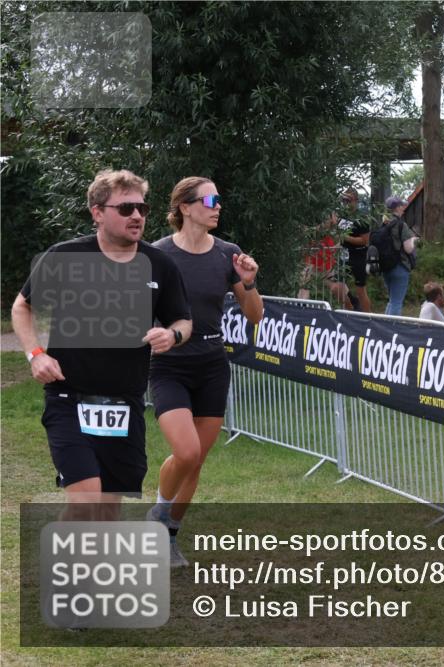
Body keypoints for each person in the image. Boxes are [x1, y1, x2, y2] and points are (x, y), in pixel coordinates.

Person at [10, 169, 192, 521]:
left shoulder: (159, 265)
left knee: (109, 508)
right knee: (85, 501)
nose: (137, 216)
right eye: (125, 209)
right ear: (97, 212)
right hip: (69, 397)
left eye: (142, 208)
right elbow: (22, 306)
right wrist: (35, 355)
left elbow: (182, 320)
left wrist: (173, 335)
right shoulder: (66, 256)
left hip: (125, 402)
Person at [145, 177, 264, 567]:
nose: (217, 206)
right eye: (210, 199)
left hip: (212, 364)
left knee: (196, 460)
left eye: (218, 199)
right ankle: (158, 516)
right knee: (186, 450)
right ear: (184, 207)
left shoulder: (228, 254)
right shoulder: (158, 255)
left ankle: (170, 536)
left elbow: (255, 314)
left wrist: (248, 282)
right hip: (169, 366)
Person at [297, 212, 357, 310]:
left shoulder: (330, 213)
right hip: (314, 255)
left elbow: (340, 226)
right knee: (305, 280)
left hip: (325, 255)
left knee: (332, 284)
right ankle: (301, 305)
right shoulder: (309, 211)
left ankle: (351, 302)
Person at [378, 196, 419, 316]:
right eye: (402, 206)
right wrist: (414, 240)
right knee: (396, 302)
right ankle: (391, 330)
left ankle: (384, 326)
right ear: (397, 208)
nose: (404, 208)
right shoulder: (401, 225)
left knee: (392, 300)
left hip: (385, 266)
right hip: (400, 266)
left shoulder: (384, 223)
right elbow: (408, 248)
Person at [337, 188, 372, 312]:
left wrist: (345, 237)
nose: (345, 203)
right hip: (343, 256)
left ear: (356, 201)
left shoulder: (362, 218)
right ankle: (350, 307)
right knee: (338, 287)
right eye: (343, 200)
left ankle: (369, 319)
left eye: (348, 200)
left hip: (358, 257)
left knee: (360, 290)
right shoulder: (341, 217)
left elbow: (364, 240)